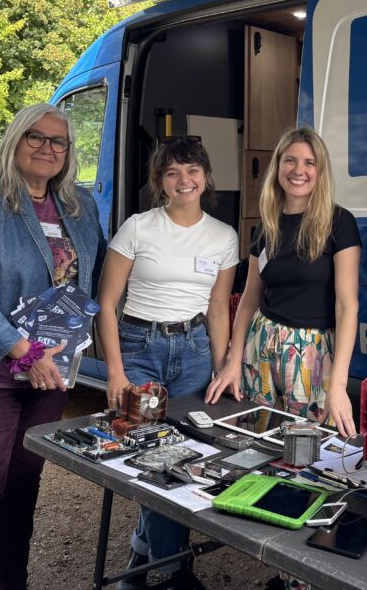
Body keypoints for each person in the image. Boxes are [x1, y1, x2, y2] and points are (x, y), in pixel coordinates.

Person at [0, 103, 106, 590]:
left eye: (59, 142)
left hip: (50, 376)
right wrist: (23, 351)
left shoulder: (80, 206)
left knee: (22, 489)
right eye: (36, 137)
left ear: (69, 154)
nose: (48, 148)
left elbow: (100, 278)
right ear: (15, 140)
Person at [96, 137, 238, 590]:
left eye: (193, 170)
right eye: (173, 172)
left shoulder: (223, 236)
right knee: (151, 458)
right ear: (160, 181)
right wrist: (115, 371)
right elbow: (106, 303)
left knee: (188, 456)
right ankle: (176, 572)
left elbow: (218, 309)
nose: (185, 180)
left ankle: (139, 557)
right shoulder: (138, 227)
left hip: (195, 351)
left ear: (206, 177)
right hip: (141, 349)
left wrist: (222, 368)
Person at [206, 127, 360, 440]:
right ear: (277, 167)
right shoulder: (266, 227)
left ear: (321, 171)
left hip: (313, 356)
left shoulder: (339, 223)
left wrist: (340, 385)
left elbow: (347, 306)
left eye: (309, 163)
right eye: (290, 161)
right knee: (252, 441)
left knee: (308, 448)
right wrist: (233, 361)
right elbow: (249, 300)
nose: (298, 171)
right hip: (260, 346)